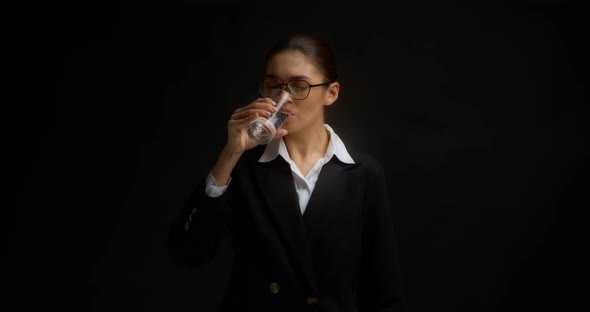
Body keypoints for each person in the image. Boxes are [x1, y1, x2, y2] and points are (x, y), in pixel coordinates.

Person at [168, 32, 405, 312]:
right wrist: (231, 152)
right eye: (273, 85)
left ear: (331, 93)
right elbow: (190, 252)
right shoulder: (244, 166)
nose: (283, 98)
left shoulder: (363, 173)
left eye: (298, 86)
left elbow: (382, 290)